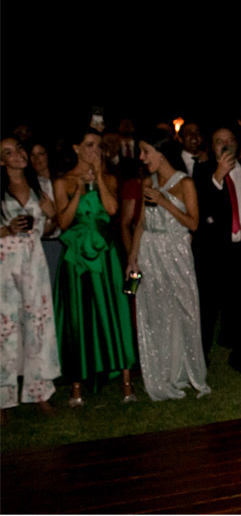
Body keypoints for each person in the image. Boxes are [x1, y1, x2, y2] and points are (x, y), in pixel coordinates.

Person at [53, 128, 136, 405]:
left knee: (115, 310)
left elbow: (112, 210)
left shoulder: (109, 178)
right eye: (89, 145)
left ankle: (126, 380)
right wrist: (77, 191)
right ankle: (77, 384)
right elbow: (63, 223)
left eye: (99, 146)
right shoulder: (62, 181)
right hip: (76, 258)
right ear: (77, 148)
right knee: (79, 315)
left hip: (105, 255)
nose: (95, 150)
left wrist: (98, 176)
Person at [126, 130, 210, 401]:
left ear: (160, 153)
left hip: (176, 253)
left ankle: (188, 372)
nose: (142, 157)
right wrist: (132, 258)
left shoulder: (185, 182)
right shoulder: (147, 180)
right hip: (150, 253)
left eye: (145, 151)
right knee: (155, 314)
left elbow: (193, 223)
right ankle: (160, 373)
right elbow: (140, 223)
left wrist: (164, 202)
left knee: (185, 310)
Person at [193, 126, 241, 373]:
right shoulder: (202, 172)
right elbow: (201, 210)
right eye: (219, 140)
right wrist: (218, 177)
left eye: (229, 140)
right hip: (213, 253)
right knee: (208, 310)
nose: (224, 144)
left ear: (237, 144)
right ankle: (201, 359)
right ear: (212, 147)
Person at [1, 137, 60, 424]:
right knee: (5, 328)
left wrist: (51, 218)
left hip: (34, 261)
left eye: (19, 149)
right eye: (8, 153)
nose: (17, 156)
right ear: (2, 160)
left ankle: (40, 392)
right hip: (4, 264)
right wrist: (6, 229)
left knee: (38, 324)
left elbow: (50, 230)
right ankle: (2, 398)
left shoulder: (41, 186)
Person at [28, 139, 64, 288]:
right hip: (42, 246)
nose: (37, 159)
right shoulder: (28, 186)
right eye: (32, 155)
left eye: (41, 154)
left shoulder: (63, 181)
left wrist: (55, 215)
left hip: (65, 243)